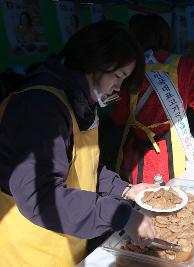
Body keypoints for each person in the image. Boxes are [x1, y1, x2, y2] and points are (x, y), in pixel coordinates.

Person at [0, 21, 156, 267]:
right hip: (30, 252)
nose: (118, 87)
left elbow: (81, 165)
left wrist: (124, 190)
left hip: (65, 241)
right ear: (95, 62)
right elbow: (38, 195)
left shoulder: (79, 102)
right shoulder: (40, 107)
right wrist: (119, 214)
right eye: (118, 76)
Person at [112, 14, 194, 184]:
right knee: (171, 198)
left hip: (136, 151)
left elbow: (119, 117)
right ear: (166, 36)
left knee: (138, 196)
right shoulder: (184, 65)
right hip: (171, 149)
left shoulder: (128, 66)